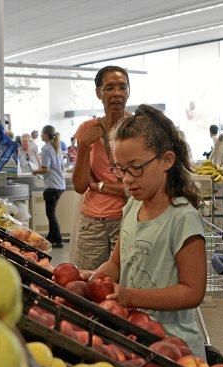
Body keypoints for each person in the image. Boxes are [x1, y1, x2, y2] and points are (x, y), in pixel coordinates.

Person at [87, 104, 207, 357]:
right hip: (137, 337)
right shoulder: (132, 206)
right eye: (120, 169)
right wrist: (91, 281)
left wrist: (130, 296)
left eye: (136, 167)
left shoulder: (183, 218)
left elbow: (192, 291)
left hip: (174, 349)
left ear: (166, 160)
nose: (127, 179)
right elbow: (116, 264)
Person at [72, 65, 132, 270]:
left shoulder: (138, 128)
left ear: (129, 91)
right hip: (93, 222)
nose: (117, 93)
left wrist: (99, 185)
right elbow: (80, 185)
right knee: (87, 282)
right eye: (109, 88)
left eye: (122, 87)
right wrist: (83, 147)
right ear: (99, 93)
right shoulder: (87, 129)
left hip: (128, 219)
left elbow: (133, 189)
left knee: (126, 283)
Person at [33, 125, 66, 248]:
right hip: (59, 184)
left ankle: (57, 239)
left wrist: (35, 171)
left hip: (52, 185)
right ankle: (51, 237)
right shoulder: (55, 147)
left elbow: (45, 169)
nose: (40, 135)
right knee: (51, 213)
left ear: (46, 134)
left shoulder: (46, 149)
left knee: (50, 214)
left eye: (42, 133)